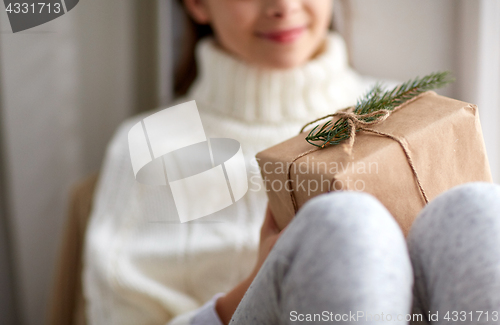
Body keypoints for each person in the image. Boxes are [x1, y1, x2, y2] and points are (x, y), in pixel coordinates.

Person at [83, 0, 500, 324]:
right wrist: (256, 283)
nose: (283, 5)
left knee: (480, 210)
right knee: (345, 223)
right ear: (196, 3)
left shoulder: (407, 113)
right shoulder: (152, 145)